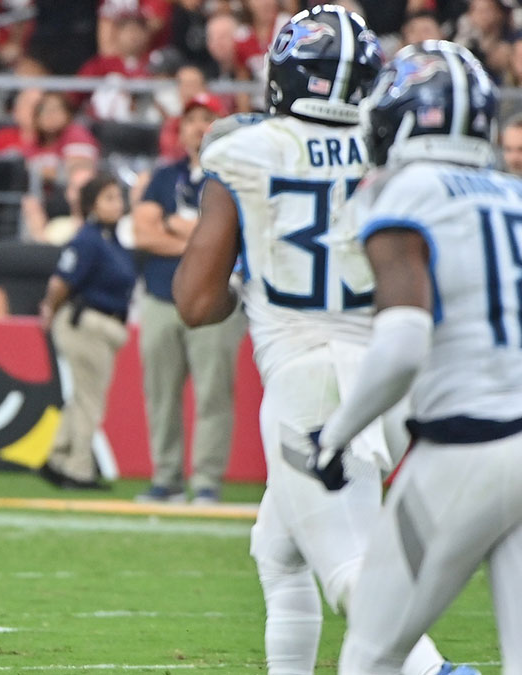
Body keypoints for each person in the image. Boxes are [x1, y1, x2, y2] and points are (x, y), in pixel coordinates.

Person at [171, 8, 476, 675]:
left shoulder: (246, 147)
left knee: (347, 569)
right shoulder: (393, 148)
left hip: (306, 380)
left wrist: (245, 286)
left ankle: (441, 672)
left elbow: (195, 302)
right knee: (278, 550)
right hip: (392, 380)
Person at [301, 41, 518, 675]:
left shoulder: (402, 190)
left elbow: (401, 346)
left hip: (466, 450)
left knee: (370, 655)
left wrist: (333, 438)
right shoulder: (512, 194)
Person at [131, 92, 245, 504]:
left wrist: (178, 228)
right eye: (190, 120)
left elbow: (235, 236)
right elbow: (143, 232)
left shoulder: (237, 173)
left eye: (207, 118)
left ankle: (207, 481)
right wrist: (203, 242)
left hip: (217, 298)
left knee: (214, 391)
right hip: (162, 296)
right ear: (177, 132)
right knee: (160, 392)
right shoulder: (164, 175)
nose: (198, 127)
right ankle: (166, 476)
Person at [37, 173, 137, 491]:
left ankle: (56, 459)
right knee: (89, 400)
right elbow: (61, 279)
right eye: (108, 198)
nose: (117, 204)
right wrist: (50, 310)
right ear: (92, 204)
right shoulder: (87, 239)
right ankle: (78, 470)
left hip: (105, 325)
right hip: (86, 322)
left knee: (83, 396)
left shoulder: (112, 238)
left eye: (118, 197)